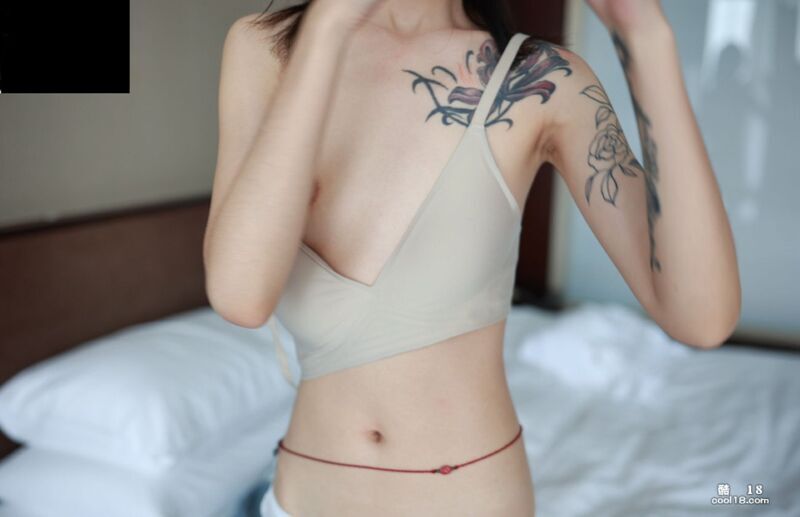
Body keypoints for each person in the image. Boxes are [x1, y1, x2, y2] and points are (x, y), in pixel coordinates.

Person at [203, 0, 741, 515]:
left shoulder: (540, 79)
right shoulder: (265, 49)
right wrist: (330, 26)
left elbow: (701, 318)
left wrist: (643, 34)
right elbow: (240, 296)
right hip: (298, 503)